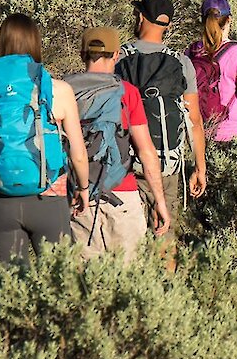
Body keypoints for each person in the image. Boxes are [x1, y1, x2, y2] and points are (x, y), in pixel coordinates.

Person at [0, 13, 91, 265]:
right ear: (35, 43)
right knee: (59, 286)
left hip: (0, 201)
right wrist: (84, 188)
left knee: (11, 290)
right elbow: (78, 152)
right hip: (48, 199)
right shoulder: (58, 90)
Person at [66, 27, 173, 258]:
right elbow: (146, 152)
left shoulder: (63, 91)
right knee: (129, 280)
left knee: (87, 282)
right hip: (122, 194)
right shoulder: (128, 93)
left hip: (78, 195)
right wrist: (159, 201)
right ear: (116, 55)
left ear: (82, 54)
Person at [115, 0, 207, 207]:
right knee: (164, 237)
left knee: (130, 239)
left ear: (140, 18)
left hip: (129, 169)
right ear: (168, 26)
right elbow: (194, 121)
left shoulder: (119, 59)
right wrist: (200, 168)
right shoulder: (182, 62)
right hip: (168, 167)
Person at [188, 0, 237, 142]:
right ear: (229, 20)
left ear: (203, 21)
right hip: (232, 132)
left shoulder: (192, 51)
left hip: (197, 132)